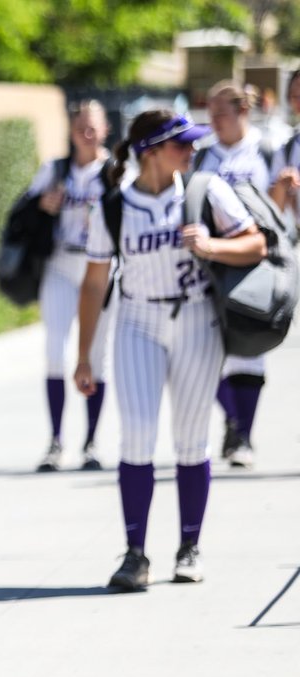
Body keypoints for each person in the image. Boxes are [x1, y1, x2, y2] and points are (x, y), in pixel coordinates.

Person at [76, 110, 266, 592]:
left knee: (191, 437)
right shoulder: (114, 207)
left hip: (196, 318)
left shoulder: (204, 192)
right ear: (151, 151)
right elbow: (95, 280)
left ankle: (189, 547)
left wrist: (212, 247)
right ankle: (136, 555)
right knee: (137, 433)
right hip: (138, 321)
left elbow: (257, 244)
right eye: (181, 143)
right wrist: (84, 356)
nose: (191, 150)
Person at [26, 100, 116, 472]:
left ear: (105, 129)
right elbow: (23, 211)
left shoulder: (114, 171)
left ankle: (91, 441)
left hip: (100, 267)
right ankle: (56, 440)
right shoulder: (56, 170)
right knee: (55, 351)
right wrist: (42, 205)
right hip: (62, 263)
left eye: (93, 126)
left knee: (95, 356)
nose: (86, 132)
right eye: (80, 125)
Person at [195, 80, 272, 469]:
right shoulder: (202, 156)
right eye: (210, 114)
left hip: (258, 260)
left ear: (242, 111)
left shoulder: (267, 148)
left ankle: (242, 435)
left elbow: (280, 212)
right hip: (211, 261)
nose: (214, 122)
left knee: (250, 349)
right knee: (207, 351)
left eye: (221, 114)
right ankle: (232, 419)